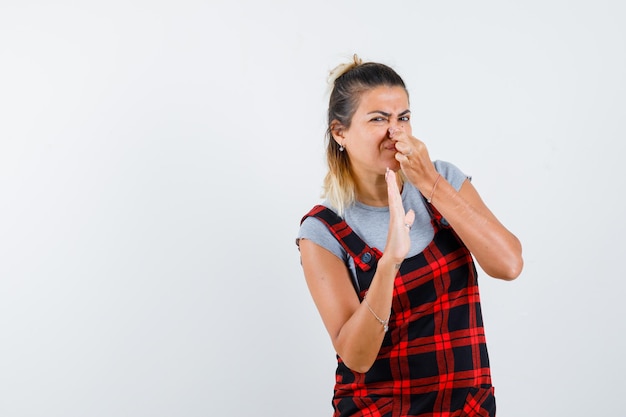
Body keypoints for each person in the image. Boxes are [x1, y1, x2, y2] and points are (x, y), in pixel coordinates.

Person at [296, 54, 523, 417]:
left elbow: (509, 264)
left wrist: (430, 183)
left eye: (403, 118)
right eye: (378, 119)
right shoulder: (323, 231)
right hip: (378, 410)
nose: (395, 132)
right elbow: (356, 356)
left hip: (465, 407)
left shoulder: (443, 180)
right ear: (340, 133)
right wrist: (390, 262)